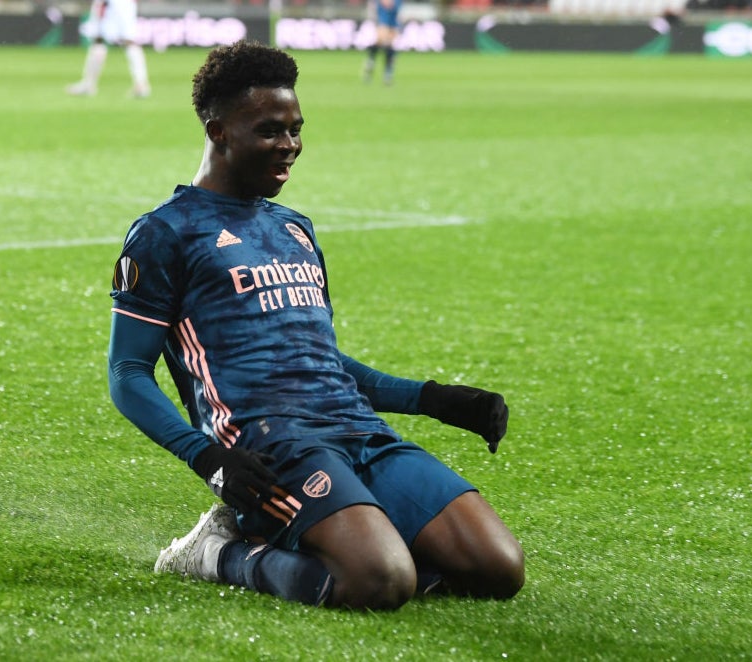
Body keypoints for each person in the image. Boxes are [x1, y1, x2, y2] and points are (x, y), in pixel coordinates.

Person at [108, 40, 524, 610]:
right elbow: (128, 372)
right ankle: (215, 551)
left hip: (356, 429)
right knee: (379, 582)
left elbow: (319, 359)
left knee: (499, 570)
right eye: (271, 131)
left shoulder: (295, 229)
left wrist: (434, 399)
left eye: (296, 129)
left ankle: (359, 534)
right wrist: (205, 457)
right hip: (267, 445)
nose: (290, 146)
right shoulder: (165, 233)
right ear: (218, 132)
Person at [67, 0, 151, 98]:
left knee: (99, 40)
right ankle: (141, 84)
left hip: (110, 4)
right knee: (129, 41)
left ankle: (88, 84)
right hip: (126, 4)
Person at [363, 0, 402, 85]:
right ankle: (371, 62)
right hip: (383, 15)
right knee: (382, 39)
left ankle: (387, 74)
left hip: (394, 17)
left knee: (390, 45)